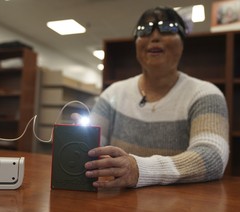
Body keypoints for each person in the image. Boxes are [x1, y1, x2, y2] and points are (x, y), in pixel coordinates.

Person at [84, 6, 229, 188]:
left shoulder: (206, 94)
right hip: (116, 203)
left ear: (182, 43)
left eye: (167, 28)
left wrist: (139, 169)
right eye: (144, 30)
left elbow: (213, 156)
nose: (154, 37)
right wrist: (79, 139)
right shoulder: (113, 93)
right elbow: (92, 147)